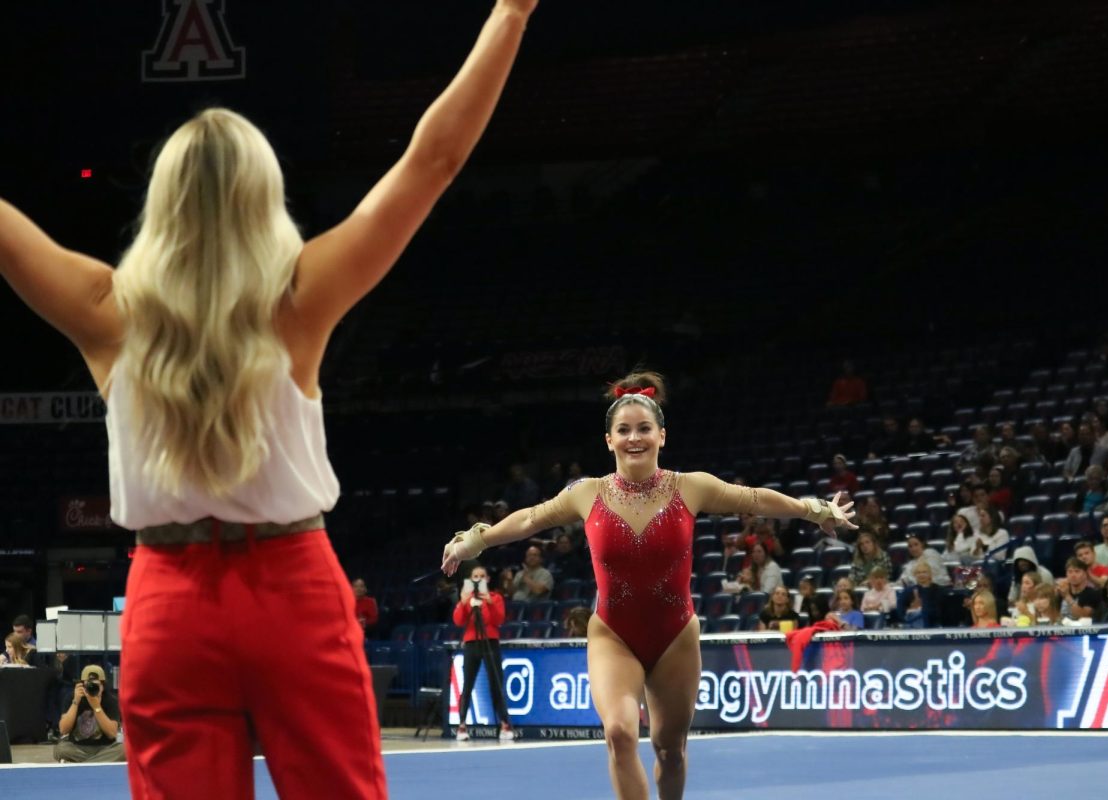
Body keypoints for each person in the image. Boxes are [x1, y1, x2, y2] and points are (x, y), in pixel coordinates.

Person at [0, 2, 540, 793]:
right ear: (265, 198)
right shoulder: (299, 299)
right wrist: (511, 11)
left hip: (167, 597)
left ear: (161, 201)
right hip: (291, 582)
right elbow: (434, 161)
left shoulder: (106, 309)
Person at [440, 371, 856, 800]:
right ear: (608, 440)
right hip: (613, 634)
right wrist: (476, 539)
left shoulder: (690, 487)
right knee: (619, 733)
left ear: (662, 436)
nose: (633, 438)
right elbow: (529, 518)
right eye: (623, 430)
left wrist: (814, 509)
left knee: (669, 749)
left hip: (675, 636)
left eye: (643, 429)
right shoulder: (587, 494)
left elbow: (753, 498)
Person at [451, 565, 515, 741]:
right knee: (468, 685)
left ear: (487, 579)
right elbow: (458, 621)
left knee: (496, 683)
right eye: (475, 576)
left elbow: (499, 619)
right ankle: (462, 725)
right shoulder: (466, 597)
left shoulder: (495, 597)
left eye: (482, 576)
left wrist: (489, 601)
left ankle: (504, 724)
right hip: (471, 643)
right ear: (471, 580)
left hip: (490, 642)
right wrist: (463, 603)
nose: (478, 578)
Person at [54, 665, 125, 763]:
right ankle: (98, 763)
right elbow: (63, 729)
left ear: (103, 686)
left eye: (96, 685)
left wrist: (96, 707)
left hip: (104, 748)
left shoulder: (111, 700)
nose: (92, 688)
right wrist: (75, 702)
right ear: (82, 685)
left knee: (124, 749)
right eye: (89, 685)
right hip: (78, 748)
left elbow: (112, 734)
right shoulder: (72, 698)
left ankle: (83, 764)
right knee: (60, 749)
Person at [898, 561, 941, 628]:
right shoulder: (908, 591)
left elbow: (941, 611)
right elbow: (900, 611)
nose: (921, 575)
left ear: (930, 574)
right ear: (915, 575)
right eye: (918, 573)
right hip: (913, 624)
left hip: (935, 624)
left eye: (924, 572)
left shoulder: (938, 590)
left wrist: (922, 609)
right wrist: (913, 609)